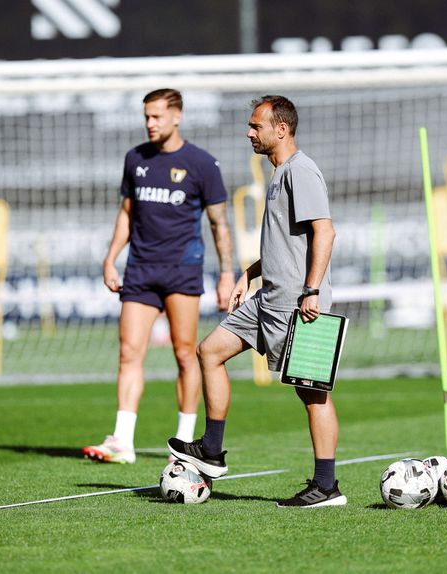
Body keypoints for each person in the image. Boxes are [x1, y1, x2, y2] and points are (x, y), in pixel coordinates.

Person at [168, 95, 344, 508]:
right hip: (268, 298)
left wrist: (312, 290)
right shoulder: (280, 173)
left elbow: (326, 232)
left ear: (280, 129)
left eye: (255, 126)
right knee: (208, 351)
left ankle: (326, 487)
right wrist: (250, 274)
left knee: (312, 394)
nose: (249, 133)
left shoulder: (301, 172)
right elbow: (285, 244)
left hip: (299, 305)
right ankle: (211, 450)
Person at [83, 88, 235, 465]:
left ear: (176, 116)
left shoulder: (202, 164)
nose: (150, 123)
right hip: (140, 270)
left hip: (182, 271)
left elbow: (219, 225)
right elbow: (126, 213)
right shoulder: (135, 159)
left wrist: (227, 274)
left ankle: (183, 445)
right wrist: (110, 257)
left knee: (186, 354)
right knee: (129, 353)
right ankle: (122, 440)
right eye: (146, 116)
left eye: (156, 116)